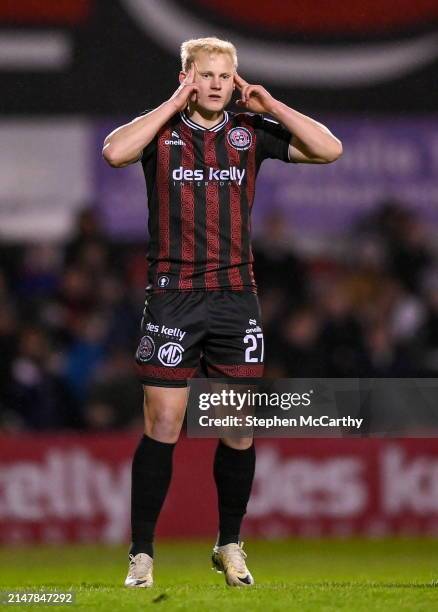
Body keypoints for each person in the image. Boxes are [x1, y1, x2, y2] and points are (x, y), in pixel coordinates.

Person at [102, 36, 342, 588]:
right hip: (173, 295)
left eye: (223, 76)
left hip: (236, 296)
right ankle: (142, 554)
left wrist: (272, 106)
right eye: (203, 74)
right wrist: (171, 102)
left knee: (236, 427)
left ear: (235, 82)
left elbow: (330, 150)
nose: (213, 84)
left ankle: (229, 544)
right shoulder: (162, 132)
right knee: (164, 422)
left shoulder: (247, 132)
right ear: (186, 76)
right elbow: (114, 152)